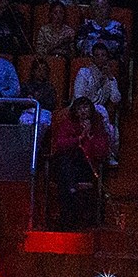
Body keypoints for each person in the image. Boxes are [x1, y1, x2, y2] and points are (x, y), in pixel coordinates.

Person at [50, 98, 112, 227]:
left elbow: (101, 150)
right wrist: (79, 138)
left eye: (86, 108)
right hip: (68, 164)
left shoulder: (97, 126)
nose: (83, 112)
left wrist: (88, 138)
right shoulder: (68, 124)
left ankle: (73, 196)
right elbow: (61, 144)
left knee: (68, 174)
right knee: (64, 165)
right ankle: (67, 213)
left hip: (88, 166)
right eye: (79, 109)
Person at [71, 43, 123, 164]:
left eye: (103, 55)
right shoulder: (84, 73)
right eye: (97, 55)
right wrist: (98, 82)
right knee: (101, 111)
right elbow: (79, 96)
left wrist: (110, 79)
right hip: (81, 109)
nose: (100, 58)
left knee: (112, 130)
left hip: (99, 113)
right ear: (92, 58)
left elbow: (116, 99)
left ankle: (108, 154)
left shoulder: (110, 78)